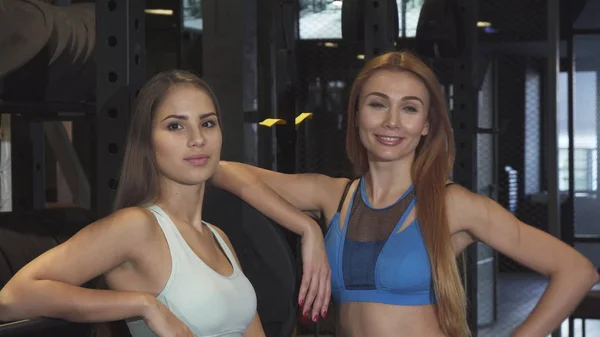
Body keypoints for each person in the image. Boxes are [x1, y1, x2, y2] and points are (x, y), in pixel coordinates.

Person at [211, 50, 600, 337]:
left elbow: (576, 270)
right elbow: (219, 169)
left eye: (409, 109)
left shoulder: (453, 204)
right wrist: (306, 229)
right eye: (378, 104)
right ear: (358, 114)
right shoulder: (332, 196)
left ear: (428, 124)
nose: (392, 122)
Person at [0, 70, 331, 336]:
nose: (197, 138)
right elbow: (11, 299)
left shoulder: (217, 237)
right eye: (175, 126)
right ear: (147, 142)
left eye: (207, 123)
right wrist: (145, 305)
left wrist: (308, 229)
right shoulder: (136, 227)